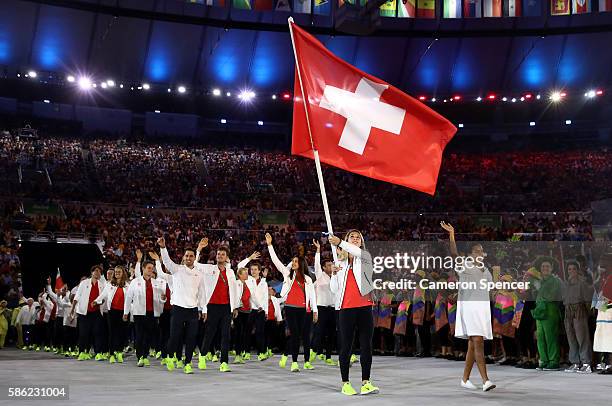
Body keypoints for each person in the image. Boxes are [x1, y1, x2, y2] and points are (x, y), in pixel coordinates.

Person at [441, 221, 496, 392]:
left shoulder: (486, 270)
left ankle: (465, 379)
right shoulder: (465, 265)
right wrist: (452, 235)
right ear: (471, 254)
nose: (479, 253)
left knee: (473, 344)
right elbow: (454, 254)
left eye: (481, 250)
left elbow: (488, 289)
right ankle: (485, 380)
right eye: (476, 251)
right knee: (478, 341)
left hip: (482, 309)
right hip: (469, 309)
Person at [329, 230, 379, 396]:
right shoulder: (340, 263)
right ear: (347, 239)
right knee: (346, 347)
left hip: (365, 307)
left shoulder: (365, 256)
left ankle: (366, 382)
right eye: (352, 237)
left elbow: (355, 251)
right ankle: (346, 383)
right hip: (346, 309)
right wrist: (334, 275)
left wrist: (340, 243)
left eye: (358, 237)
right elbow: (334, 290)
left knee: (366, 346)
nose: (356, 239)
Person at [266, 232, 317, 373]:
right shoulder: (287, 275)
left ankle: (305, 361)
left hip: (305, 310)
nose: (293, 263)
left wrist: (315, 311)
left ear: (300, 264)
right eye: (292, 261)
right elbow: (276, 261)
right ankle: (294, 362)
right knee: (295, 335)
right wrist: (270, 245)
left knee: (305, 336)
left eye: (295, 261)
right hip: (290, 308)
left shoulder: (308, 278)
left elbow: (312, 295)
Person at [158, 236, 208, 374]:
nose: (189, 258)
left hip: (192, 310)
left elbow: (202, 293)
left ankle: (187, 363)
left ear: (194, 258)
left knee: (191, 338)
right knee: (174, 337)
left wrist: (203, 309)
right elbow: (167, 262)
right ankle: (169, 356)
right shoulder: (177, 270)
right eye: (187, 255)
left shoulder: (199, 274)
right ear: (184, 257)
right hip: (178, 309)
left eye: (191, 256)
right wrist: (163, 247)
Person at [197, 238, 245, 373]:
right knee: (210, 333)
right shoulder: (208, 268)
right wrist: (199, 249)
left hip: (226, 307)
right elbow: (195, 264)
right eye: (218, 254)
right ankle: (202, 356)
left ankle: (224, 362)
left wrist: (234, 306)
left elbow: (234, 290)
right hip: (212, 306)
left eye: (222, 254)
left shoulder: (230, 272)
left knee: (226, 335)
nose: (220, 256)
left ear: (227, 258)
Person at [125, 257, 165, 367]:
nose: (150, 270)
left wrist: (163, 298)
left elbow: (162, 299)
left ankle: (145, 355)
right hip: (139, 313)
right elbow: (129, 297)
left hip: (152, 313)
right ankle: (140, 357)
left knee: (148, 336)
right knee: (139, 335)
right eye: (148, 268)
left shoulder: (156, 283)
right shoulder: (135, 282)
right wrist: (126, 312)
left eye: (152, 268)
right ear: (143, 269)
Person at [529, 257, 563, 371]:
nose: (545, 268)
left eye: (547, 266)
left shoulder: (556, 281)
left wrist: (539, 288)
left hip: (550, 311)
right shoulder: (538, 280)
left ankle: (553, 361)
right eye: (543, 266)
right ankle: (543, 360)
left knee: (551, 337)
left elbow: (552, 296)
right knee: (540, 337)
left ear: (552, 268)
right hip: (540, 311)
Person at [93, 265, 129, 364]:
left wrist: (127, 312)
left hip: (124, 313)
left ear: (123, 273)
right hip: (112, 312)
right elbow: (103, 294)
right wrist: (96, 301)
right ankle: (112, 354)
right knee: (112, 333)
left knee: (122, 333)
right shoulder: (110, 284)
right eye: (116, 272)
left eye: (119, 272)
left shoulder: (127, 285)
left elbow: (130, 299)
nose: (117, 273)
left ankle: (120, 352)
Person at [563, 260, 594, 373]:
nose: (571, 271)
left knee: (582, 338)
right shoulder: (566, 284)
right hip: (568, 312)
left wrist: (586, 313)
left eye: (574, 269)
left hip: (579, 312)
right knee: (571, 338)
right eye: (569, 269)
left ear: (578, 270)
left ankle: (586, 363)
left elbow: (587, 300)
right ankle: (575, 362)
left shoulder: (582, 283)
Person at [71, 265, 106, 361]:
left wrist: (98, 302)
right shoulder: (84, 283)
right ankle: (82, 352)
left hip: (97, 312)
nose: (97, 273)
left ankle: (98, 353)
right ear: (92, 272)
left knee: (97, 333)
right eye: (96, 271)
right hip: (84, 313)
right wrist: (72, 311)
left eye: (99, 271)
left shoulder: (102, 285)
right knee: (83, 333)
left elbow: (103, 300)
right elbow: (77, 297)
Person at [312, 240, 337, 365]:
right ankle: (314, 351)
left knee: (332, 333)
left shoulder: (335, 277)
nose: (331, 267)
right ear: (323, 267)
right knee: (320, 332)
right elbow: (316, 264)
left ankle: (328, 356)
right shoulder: (320, 276)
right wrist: (318, 250)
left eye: (332, 265)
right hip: (321, 307)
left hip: (332, 308)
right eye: (328, 265)